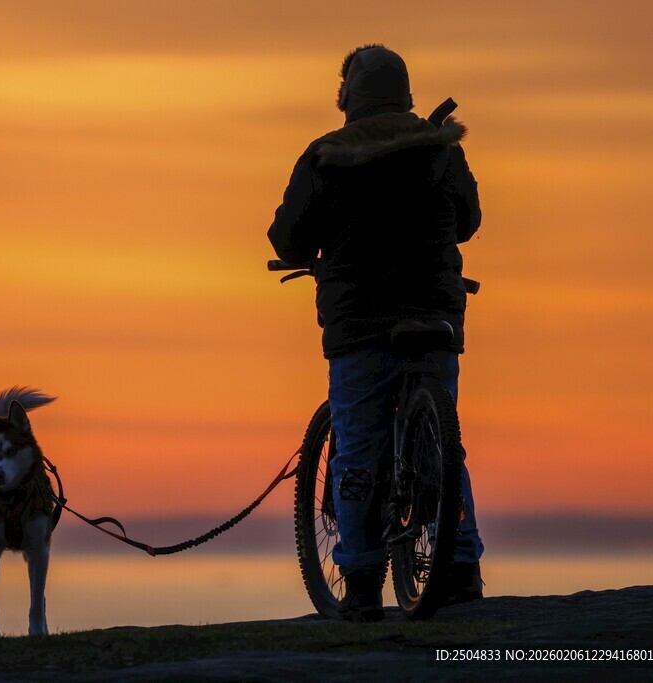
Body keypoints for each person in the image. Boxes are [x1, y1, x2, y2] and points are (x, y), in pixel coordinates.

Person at [267, 44, 484, 622]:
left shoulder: (326, 157)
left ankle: (361, 581)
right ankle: (461, 566)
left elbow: (286, 238)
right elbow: (469, 221)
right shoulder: (440, 147)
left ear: (347, 99)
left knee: (357, 451)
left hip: (360, 325)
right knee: (443, 447)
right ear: (406, 94)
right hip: (435, 316)